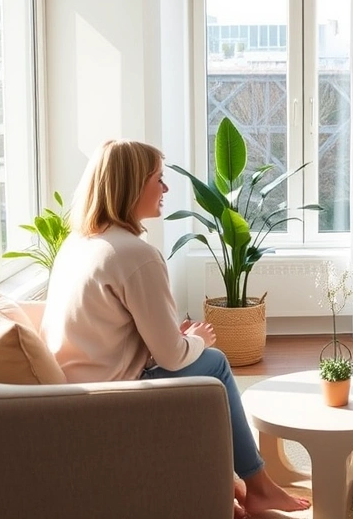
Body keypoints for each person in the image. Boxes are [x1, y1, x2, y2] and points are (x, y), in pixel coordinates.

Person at [41, 140, 310, 518]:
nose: (165, 189)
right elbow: (170, 355)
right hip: (112, 396)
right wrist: (195, 339)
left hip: (78, 390)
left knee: (200, 357)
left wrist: (176, 336)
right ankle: (259, 487)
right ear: (132, 185)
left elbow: (112, 329)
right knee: (213, 362)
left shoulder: (78, 244)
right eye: (158, 179)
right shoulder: (134, 254)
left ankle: (225, 482)